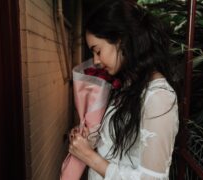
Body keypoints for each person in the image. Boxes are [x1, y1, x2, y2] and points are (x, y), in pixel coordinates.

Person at [68, 0, 179, 179]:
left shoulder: (158, 98)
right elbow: (118, 145)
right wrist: (89, 140)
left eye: (98, 51)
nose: (95, 60)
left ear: (123, 41)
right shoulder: (129, 85)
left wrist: (89, 156)